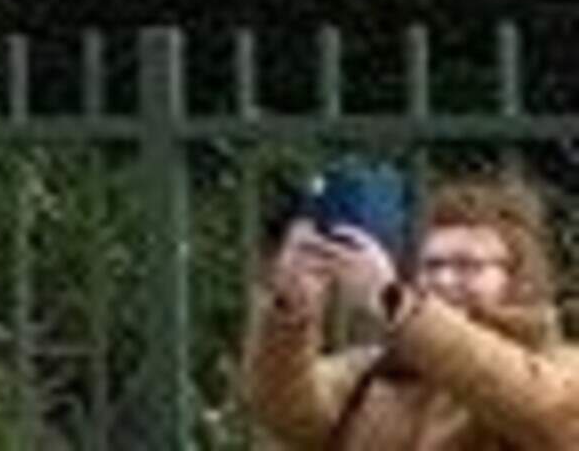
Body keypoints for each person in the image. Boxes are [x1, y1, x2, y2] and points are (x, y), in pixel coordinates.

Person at [241, 170, 579, 448]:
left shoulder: (556, 364)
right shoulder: (374, 372)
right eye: (432, 265)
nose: (445, 280)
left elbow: (553, 417)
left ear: (517, 277)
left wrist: (400, 310)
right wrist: (291, 305)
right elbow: (284, 414)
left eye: (467, 266)